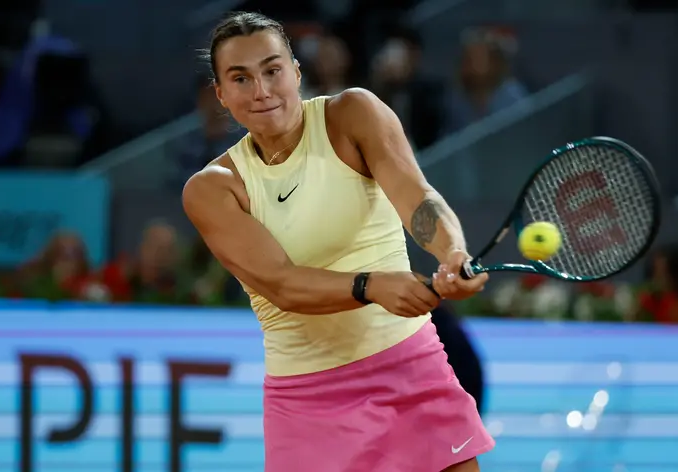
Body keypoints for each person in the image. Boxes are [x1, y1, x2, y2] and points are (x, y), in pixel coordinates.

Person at [182, 12, 494, 472]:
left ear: (296, 71)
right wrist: (372, 286)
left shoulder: (353, 114)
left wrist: (452, 251)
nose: (263, 90)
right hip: (306, 399)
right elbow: (283, 285)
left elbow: (417, 197)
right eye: (241, 78)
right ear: (221, 95)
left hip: (409, 367)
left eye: (273, 70)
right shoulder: (214, 188)